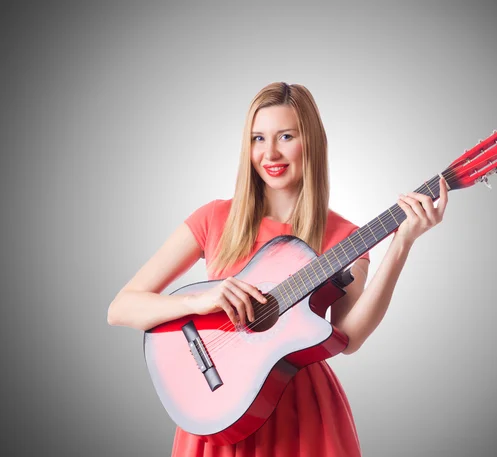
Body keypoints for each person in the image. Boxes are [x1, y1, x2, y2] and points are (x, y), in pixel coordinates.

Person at [107, 82, 448, 456]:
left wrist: (402, 244)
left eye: (286, 136)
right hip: (221, 409)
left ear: (311, 143)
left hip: (304, 416)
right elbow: (122, 308)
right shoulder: (214, 218)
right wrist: (201, 301)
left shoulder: (344, 236)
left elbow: (348, 337)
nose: (269, 152)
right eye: (257, 138)